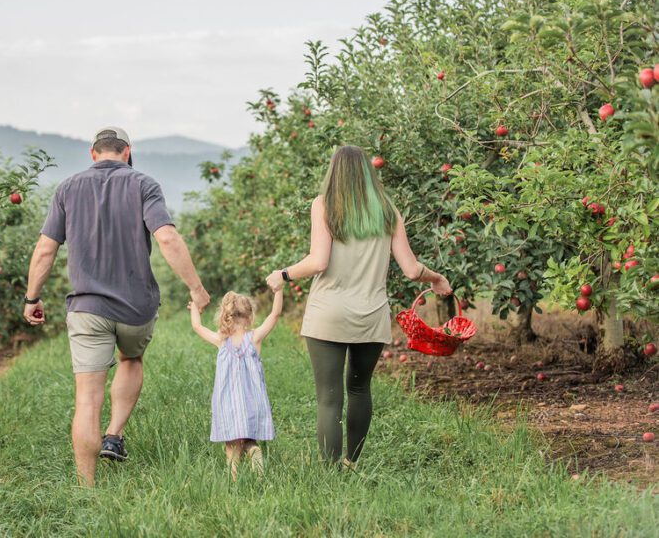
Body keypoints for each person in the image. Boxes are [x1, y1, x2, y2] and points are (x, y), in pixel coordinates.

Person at [24, 126, 211, 487]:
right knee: (131, 359)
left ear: (93, 154)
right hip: (135, 307)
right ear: (127, 152)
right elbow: (168, 237)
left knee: (87, 398)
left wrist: (32, 297)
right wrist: (197, 288)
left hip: (87, 307)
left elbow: (46, 249)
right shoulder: (144, 184)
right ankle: (114, 435)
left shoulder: (67, 188)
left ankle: (86, 488)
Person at [265, 145, 451, 469]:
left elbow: (318, 261)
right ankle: (352, 461)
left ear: (334, 172)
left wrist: (283, 274)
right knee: (360, 389)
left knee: (328, 398)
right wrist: (437, 279)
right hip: (371, 314)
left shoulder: (324, 206)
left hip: (328, 313)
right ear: (368, 172)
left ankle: (330, 473)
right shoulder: (387, 211)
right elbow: (411, 269)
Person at [189, 289, 283, 479]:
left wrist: (194, 308)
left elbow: (197, 327)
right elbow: (275, 315)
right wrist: (279, 291)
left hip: (228, 402)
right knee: (249, 438)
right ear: (250, 317)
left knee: (231, 443)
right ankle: (253, 450)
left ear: (225, 316)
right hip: (253, 401)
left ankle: (233, 478)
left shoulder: (221, 340)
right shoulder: (254, 338)